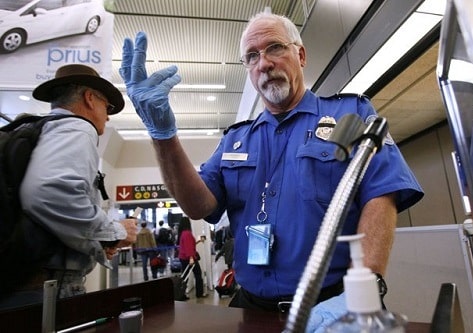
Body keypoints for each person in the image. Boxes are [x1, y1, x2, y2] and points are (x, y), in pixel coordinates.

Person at [120, 12, 423, 327]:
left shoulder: (351, 114)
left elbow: (381, 193)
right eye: (252, 56)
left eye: (275, 48)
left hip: (332, 308)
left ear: (300, 55)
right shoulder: (235, 140)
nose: (263, 63)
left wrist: (367, 285)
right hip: (252, 310)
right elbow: (199, 206)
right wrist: (163, 137)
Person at [0, 64, 137, 309]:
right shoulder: (77, 127)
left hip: (17, 278)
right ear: (89, 97)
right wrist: (115, 230)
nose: (107, 116)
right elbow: (50, 193)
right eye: (108, 107)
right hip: (50, 285)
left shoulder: (39, 129)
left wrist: (98, 242)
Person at [177, 216, 206, 298]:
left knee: (185, 276)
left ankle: (181, 293)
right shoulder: (187, 233)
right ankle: (199, 293)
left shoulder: (183, 233)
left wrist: (199, 241)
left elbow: (188, 245)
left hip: (184, 258)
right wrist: (191, 258)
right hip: (189, 258)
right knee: (198, 275)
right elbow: (189, 247)